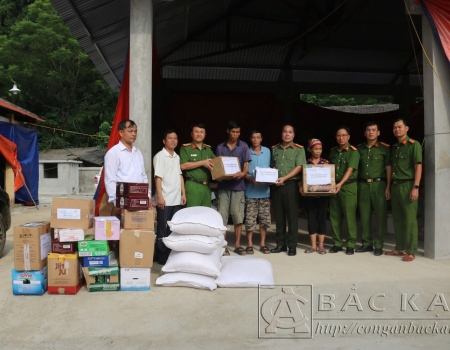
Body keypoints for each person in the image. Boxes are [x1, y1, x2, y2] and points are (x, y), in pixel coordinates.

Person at [385, 118, 422, 262]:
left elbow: (418, 166)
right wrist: (388, 187)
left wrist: (416, 187)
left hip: (408, 185)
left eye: (400, 127)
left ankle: (411, 251)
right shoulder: (394, 147)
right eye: (394, 127)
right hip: (395, 186)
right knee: (398, 219)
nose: (397, 129)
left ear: (407, 128)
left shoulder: (414, 145)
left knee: (410, 220)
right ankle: (400, 247)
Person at [216, 121, 251, 256]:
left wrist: (242, 173)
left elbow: (246, 164)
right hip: (224, 187)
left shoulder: (244, 146)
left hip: (238, 186)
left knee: (238, 216)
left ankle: (237, 245)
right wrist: (221, 175)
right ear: (228, 131)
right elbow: (218, 166)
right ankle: (223, 246)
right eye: (233, 132)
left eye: (238, 132)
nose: (235, 135)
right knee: (222, 216)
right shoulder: (220, 147)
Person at [270, 124, 306, 256]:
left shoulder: (298, 149)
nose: (287, 134)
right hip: (276, 186)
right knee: (279, 217)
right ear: (281, 133)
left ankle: (292, 245)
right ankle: (280, 244)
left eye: (290, 132)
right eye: (284, 131)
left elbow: (299, 167)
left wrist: (284, 178)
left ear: (293, 135)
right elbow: (272, 166)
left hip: (290, 185)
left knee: (292, 217)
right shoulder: (275, 149)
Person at [356, 122, 391, 256]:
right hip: (363, 185)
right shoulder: (359, 149)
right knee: (364, 215)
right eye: (368, 130)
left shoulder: (384, 148)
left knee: (380, 215)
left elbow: (388, 168)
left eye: (373, 130)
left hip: (379, 184)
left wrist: (388, 186)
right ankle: (366, 243)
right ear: (365, 133)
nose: (371, 132)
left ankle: (379, 244)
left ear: (378, 133)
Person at [153, 130, 186, 265]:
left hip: (176, 199)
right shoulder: (160, 156)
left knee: (173, 229)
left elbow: (180, 176)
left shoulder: (176, 157)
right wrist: (160, 197)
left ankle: (170, 254)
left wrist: (183, 193)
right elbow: (158, 178)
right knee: (162, 228)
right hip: (165, 199)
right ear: (164, 141)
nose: (173, 141)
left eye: (175, 138)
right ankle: (161, 256)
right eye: (170, 138)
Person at [104, 120, 149, 214]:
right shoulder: (113, 153)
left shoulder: (138, 153)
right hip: (122, 202)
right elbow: (110, 179)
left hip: (139, 201)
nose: (134, 134)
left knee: (139, 228)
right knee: (123, 228)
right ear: (121, 132)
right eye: (130, 131)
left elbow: (143, 176)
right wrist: (116, 201)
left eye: (135, 131)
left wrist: (147, 196)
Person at [328, 126, 360, 255]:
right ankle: (337, 243)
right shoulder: (333, 152)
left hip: (348, 187)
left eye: (343, 135)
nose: (341, 138)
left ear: (348, 137)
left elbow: (350, 170)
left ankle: (351, 244)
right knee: (334, 216)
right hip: (334, 187)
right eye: (338, 135)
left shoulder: (353, 152)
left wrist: (340, 183)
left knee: (349, 216)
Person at [299, 139, 329, 255]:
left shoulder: (326, 163)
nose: (318, 151)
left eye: (320, 149)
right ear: (311, 149)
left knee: (322, 219)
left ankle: (321, 245)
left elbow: (330, 179)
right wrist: (301, 187)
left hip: (323, 196)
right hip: (310, 196)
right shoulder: (306, 164)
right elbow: (301, 179)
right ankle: (313, 245)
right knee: (311, 219)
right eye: (316, 149)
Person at [244, 130, 271, 255]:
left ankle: (263, 244)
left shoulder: (267, 151)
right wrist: (250, 179)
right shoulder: (246, 152)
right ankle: (249, 244)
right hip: (251, 192)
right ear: (250, 139)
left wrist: (271, 178)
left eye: (258, 137)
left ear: (261, 139)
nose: (255, 140)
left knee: (264, 220)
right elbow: (243, 171)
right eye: (253, 137)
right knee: (250, 220)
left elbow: (270, 169)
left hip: (264, 192)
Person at [180, 123, 216, 207]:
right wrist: (202, 163)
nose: (199, 134)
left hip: (206, 186)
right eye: (196, 132)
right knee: (192, 214)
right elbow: (183, 166)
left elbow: (217, 163)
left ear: (205, 134)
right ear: (192, 134)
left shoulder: (208, 149)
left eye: (201, 132)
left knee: (205, 215)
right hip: (193, 185)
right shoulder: (186, 148)